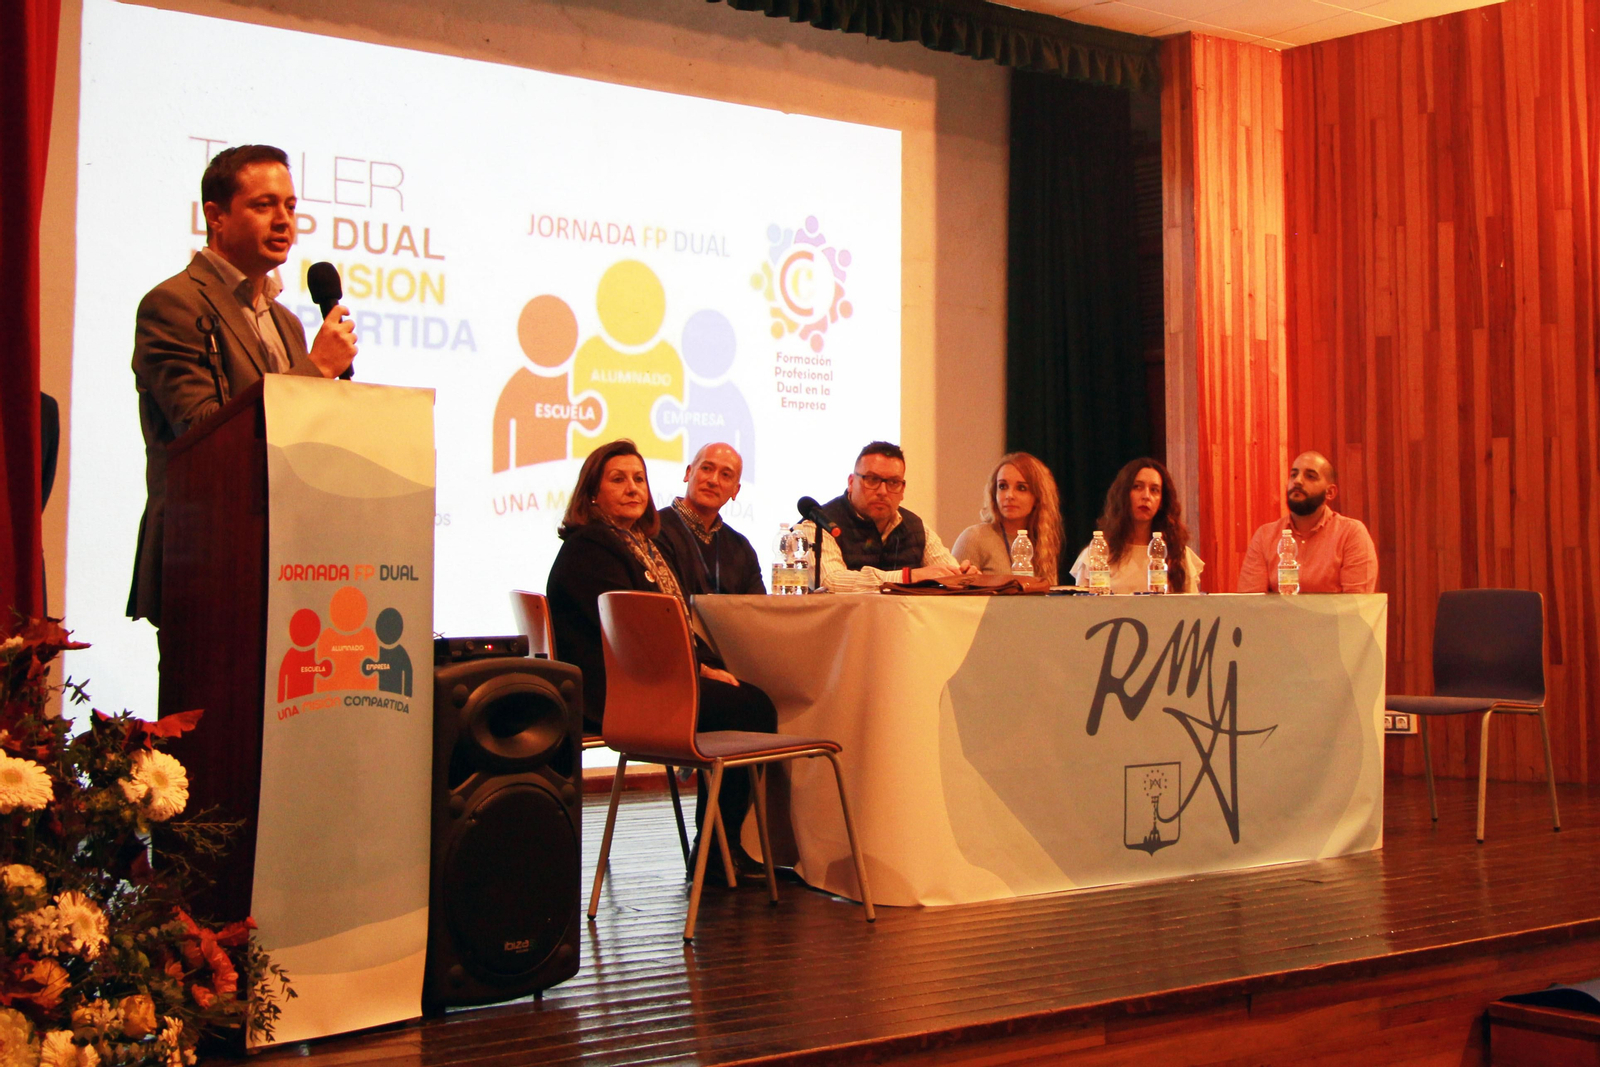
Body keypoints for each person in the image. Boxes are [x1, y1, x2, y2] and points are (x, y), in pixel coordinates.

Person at [127, 145, 357, 627]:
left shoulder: (287, 322)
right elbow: (205, 434)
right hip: (210, 560)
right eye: (263, 205)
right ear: (216, 217)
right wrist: (315, 371)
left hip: (297, 562)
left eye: (290, 207)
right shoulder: (172, 305)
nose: (283, 221)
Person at [545, 439, 777, 861]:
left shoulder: (634, 542)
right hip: (620, 695)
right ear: (592, 493)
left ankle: (720, 849)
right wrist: (700, 671)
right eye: (618, 480)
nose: (634, 488)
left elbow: (673, 626)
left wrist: (705, 665)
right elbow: (639, 634)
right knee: (754, 707)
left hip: (638, 682)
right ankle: (720, 854)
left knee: (743, 695)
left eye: (639, 479)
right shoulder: (593, 548)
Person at [814, 441, 975, 592]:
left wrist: (964, 577)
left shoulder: (916, 527)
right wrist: (908, 577)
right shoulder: (820, 523)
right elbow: (830, 581)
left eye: (893, 482)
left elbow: (945, 573)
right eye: (872, 479)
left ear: (903, 489)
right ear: (850, 482)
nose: (882, 491)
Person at [1237, 451, 1377, 593]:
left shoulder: (1351, 534)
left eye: (1310, 476)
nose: (1297, 481)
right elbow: (1250, 604)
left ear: (1330, 492)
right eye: (1293, 475)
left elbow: (1358, 605)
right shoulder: (1265, 536)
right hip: (1276, 616)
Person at [1070, 458, 1204, 593]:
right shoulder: (1097, 554)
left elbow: (1191, 608)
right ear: (1123, 494)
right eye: (1137, 487)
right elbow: (1083, 609)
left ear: (1162, 501)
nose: (1146, 496)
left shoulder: (1178, 555)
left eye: (1154, 490)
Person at [654, 442, 765, 596]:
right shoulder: (655, 529)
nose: (713, 480)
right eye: (706, 469)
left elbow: (757, 611)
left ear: (735, 490)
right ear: (688, 473)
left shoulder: (741, 548)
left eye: (725, 475)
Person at [951, 452, 1064, 584]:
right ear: (994, 493)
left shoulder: (1042, 542)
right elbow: (952, 598)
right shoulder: (974, 538)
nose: (1009, 495)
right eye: (1003, 486)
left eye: (1021, 488)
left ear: (1038, 498)